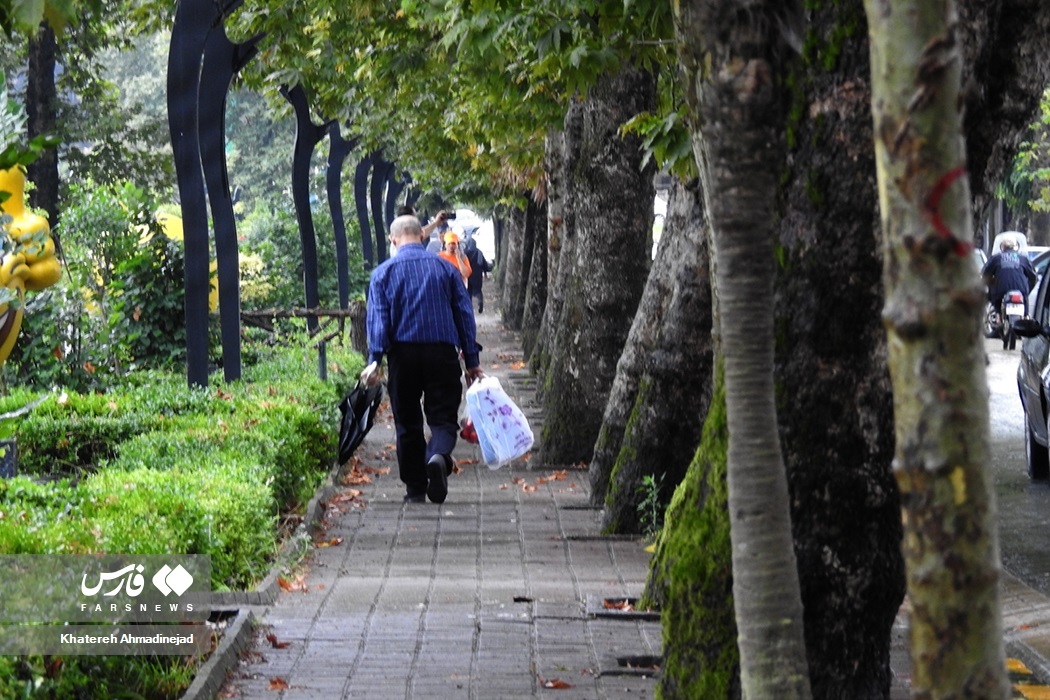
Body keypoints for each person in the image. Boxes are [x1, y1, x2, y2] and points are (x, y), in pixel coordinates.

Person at [364, 215, 484, 504]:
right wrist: (471, 360)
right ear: (422, 236)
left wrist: (375, 359)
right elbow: (464, 315)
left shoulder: (382, 274)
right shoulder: (446, 269)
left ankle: (416, 488)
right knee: (443, 417)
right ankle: (438, 456)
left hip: (402, 356)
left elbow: (379, 319)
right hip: (441, 353)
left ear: (393, 240)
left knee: (407, 422)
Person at [983, 237, 1038, 316]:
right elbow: (1033, 277)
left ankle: (998, 315)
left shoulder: (996, 258)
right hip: (1021, 291)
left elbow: (985, 275)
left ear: (1002, 247)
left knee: (996, 303)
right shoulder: (1023, 259)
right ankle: (1026, 316)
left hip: (1000, 291)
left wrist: (991, 287)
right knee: (1025, 313)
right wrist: (1027, 289)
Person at [463, 236, 493, 313]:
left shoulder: (465, 253)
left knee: (468, 292)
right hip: (477, 276)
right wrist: (486, 272)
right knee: (478, 291)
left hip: (468, 276)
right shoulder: (479, 252)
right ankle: (480, 301)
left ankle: (469, 307)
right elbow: (484, 264)